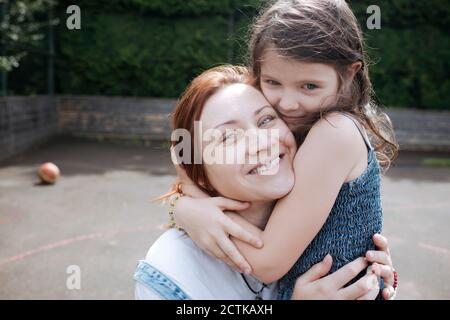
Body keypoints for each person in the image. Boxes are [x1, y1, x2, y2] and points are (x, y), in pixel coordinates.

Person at [171, 0, 398, 300]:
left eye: (309, 87)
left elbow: (266, 264)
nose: (288, 103)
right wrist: (183, 208)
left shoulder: (334, 133)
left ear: (348, 74)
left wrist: (190, 203)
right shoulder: (302, 126)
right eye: (273, 82)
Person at [134, 65, 384, 300]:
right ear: (198, 173)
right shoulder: (171, 269)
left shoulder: (323, 219)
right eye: (229, 137)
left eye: (266, 120)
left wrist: (376, 283)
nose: (262, 142)